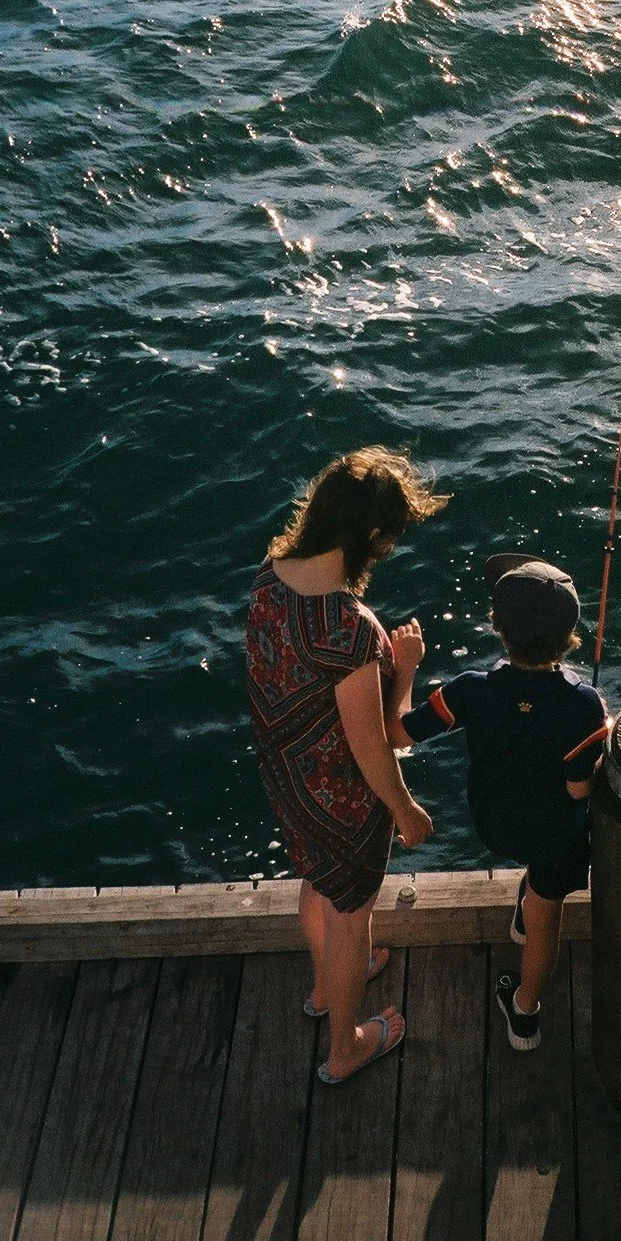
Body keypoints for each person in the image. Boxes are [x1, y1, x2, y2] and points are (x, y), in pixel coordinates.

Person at [245, 446, 447, 1084]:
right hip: (342, 800)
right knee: (351, 915)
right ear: (374, 536)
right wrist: (406, 809)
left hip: (287, 775)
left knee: (317, 882)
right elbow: (376, 743)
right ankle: (346, 1047)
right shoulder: (352, 631)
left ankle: (326, 987)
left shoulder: (271, 572)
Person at [397, 552, 609, 1050]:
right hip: (553, 839)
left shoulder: (470, 690)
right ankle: (525, 1013)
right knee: (545, 919)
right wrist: (605, 733)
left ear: (499, 628)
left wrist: (406, 669)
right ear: (570, 634)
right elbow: (578, 790)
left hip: (493, 822)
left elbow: (398, 734)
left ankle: (525, 908)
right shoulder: (584, 704)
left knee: (533, 862)